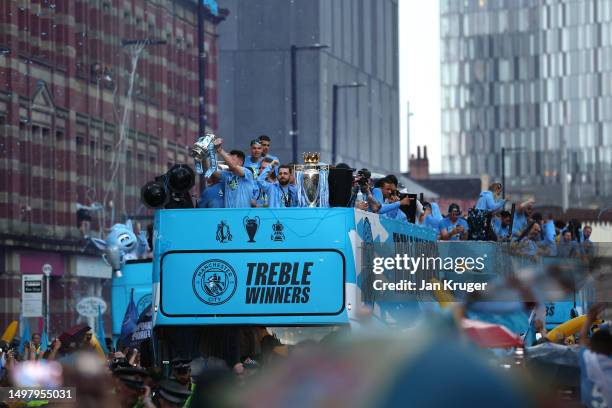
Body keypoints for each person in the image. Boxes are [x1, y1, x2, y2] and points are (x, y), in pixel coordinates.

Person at [578, 304, 612, 408]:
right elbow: (583, 338)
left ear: (591, 347)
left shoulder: (587, 359)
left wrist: (589, 318)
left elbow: (582, 338)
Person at [213, 138, 255, 208]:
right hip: (229, 215)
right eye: (228, 159)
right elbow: (212, 172)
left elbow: (233, 166)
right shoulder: (227, 174)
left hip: (243, 215)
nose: (227, 161)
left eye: (232, 159)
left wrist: (220, 150)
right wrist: (204, 157)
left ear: (240, 162)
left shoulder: (247, 172)